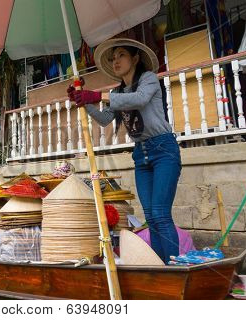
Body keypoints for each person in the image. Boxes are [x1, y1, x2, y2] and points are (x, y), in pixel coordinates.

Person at [67, 38, 181, 264]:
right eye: (113, 57)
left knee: (160, 214)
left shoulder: (148, 79)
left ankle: (175, 267)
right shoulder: (117, 91)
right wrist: (83, 100)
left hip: (163, 150)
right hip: (141, 154)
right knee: (150, 216)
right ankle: (160, 267)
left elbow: (139, 99)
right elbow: (104, 118)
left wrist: (97, 96)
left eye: (121, 55)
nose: (115, 60)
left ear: (135, 58)